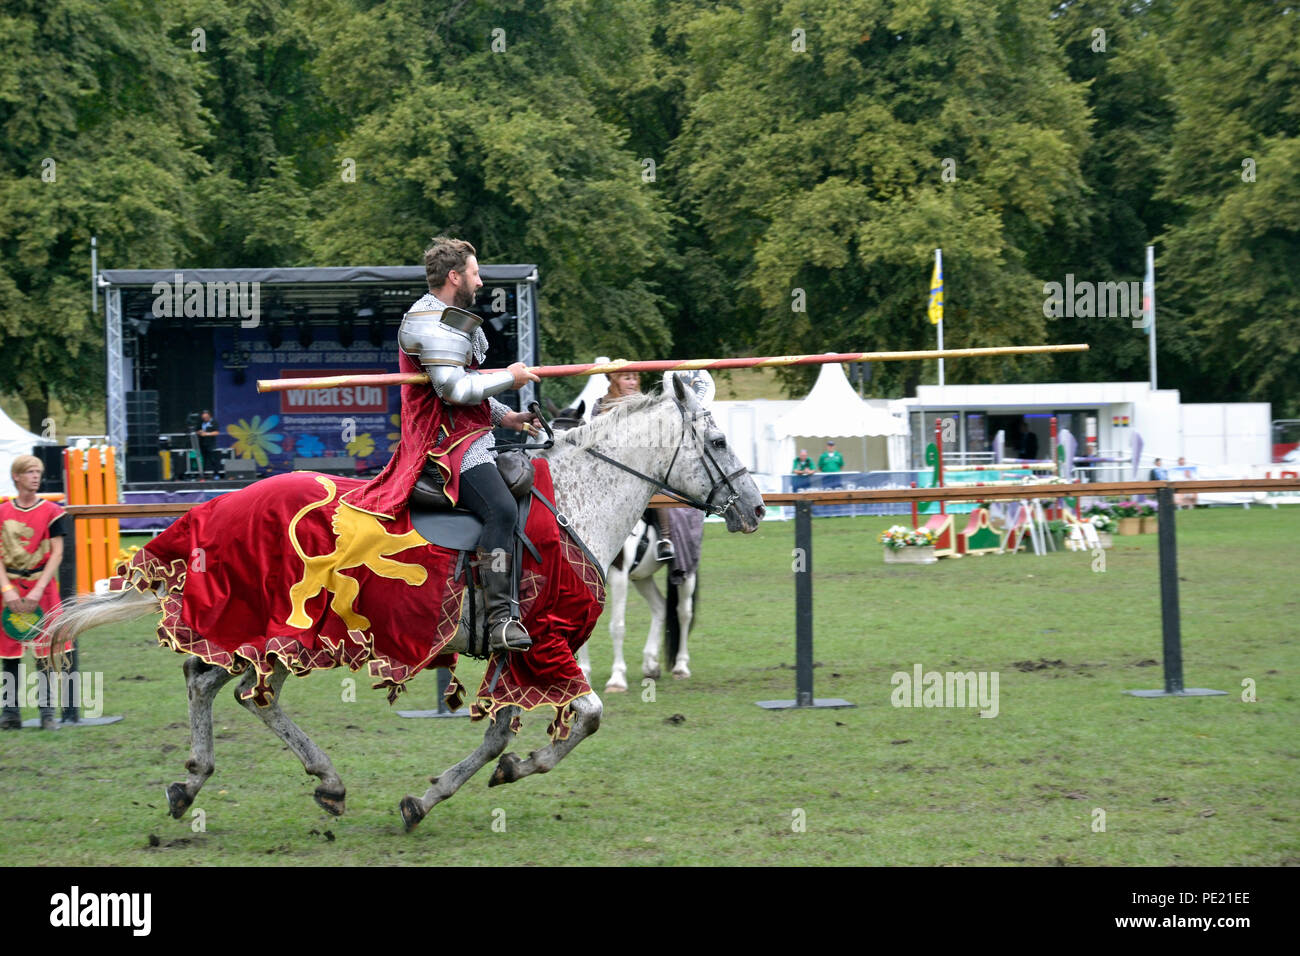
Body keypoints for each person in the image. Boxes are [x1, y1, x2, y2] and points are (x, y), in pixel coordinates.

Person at [339, 237, 540, 653]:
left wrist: (508, 417)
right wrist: (512, 376)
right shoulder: (427, 323)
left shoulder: (448, 317)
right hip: (445, 445)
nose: (480, 282)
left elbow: (473, 391)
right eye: (474, 273)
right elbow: (454, 390)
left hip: (468, 433)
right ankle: (500, 617)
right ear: (454, 276)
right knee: (500, 509)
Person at [0, 455, 67, 730]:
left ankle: (47, 713)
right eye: (29, 472)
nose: (35, 476)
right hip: (10, 587)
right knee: (10, 652)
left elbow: (57, 552)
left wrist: (39, 589)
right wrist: (6, 590)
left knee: (45, 652)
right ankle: (10, 713)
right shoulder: (2, 513)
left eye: (38, 472)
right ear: (17, 476)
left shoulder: (52, 511)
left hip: (42, 587)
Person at [592, 367, 675, 562]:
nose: (632, 382)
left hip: (640, 467)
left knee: (658, 489)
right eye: (626, 378)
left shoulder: (645, 404)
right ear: (614, 380)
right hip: (609, 467)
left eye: (634, 378)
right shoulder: (601, 405)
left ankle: (665, 539)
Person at [197, 410, 220, 475]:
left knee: (213, 459)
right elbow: (197, 431)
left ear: (209, 416)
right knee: (203, 460)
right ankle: (203, 474)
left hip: (211, 444)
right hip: (202, 444)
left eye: (206, 417)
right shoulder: (201, 423)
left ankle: (216, 473)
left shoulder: (214, 422)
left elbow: (216, 432)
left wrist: (206, 434)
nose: (205, 419)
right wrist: (199, 432)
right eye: (203, 418)